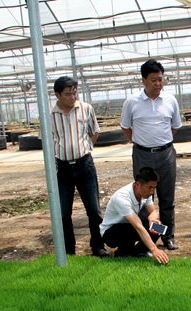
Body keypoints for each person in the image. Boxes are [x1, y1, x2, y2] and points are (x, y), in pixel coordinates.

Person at [120, 59, 182, 251]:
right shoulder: (132, 102)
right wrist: (141, 142)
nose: (158, 83)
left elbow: (175, 127)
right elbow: (126, 127)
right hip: (143, 155)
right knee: (144, 197)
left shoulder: (170, 100)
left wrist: (161, 142)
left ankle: (167, 236)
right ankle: (148, 237)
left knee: (167, 198)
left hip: (166, 154)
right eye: (153, 80)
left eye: (160, 79)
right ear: (144, 80)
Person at [51, 76, 108, 257]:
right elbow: (46, 141)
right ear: (57, 95)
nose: (72, 97)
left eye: (74, 93)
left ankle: (98, 247)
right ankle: (69, 250)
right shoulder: (49, 115)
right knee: (63, 212)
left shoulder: (86, 109)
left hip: (85, 165)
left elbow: (94, 133)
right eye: (68, 94)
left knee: (94, 210)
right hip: (62, 168)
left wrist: (84, 149)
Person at [100, 167, 169, 265]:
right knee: (134, 228)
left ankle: (139, 252)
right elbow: (138, 226)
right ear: (138, 185)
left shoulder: (146, 193)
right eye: (150, 187)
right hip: (111, 232)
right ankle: (122, 253)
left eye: (154, 188)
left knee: (159, 227)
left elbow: (153, 211)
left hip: (130, 225)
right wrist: (154, 250)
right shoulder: (122, 197)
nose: (152, 191)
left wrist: (152, 219)